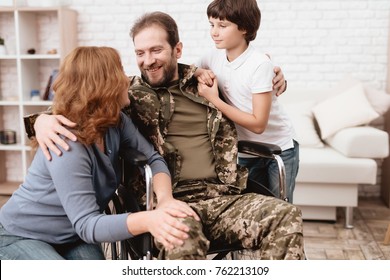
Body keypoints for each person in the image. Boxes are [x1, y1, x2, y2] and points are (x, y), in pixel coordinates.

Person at [25, 12, 305, 260]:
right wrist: (40, 121)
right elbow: (77, 103)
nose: (147, 61)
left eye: (156, 50)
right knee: (180, 236)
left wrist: (275, 75)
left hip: (222, 197)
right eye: (140, 53)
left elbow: (248, 71)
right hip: (162, 203)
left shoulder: (207, 82)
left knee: (285, 215)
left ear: (178, 49)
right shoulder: (125, 95)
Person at [0, 46, 198, 260]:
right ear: (103, 85)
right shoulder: (67, 144)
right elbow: (88, 224)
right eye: (119, 71)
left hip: (71, 236)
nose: (125, 79)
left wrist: (165, 199)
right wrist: (149, 219)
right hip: (20, 234)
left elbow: (153, 159)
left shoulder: (117, 122)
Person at [195, 0, 299, 202]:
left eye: (222, 26)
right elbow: (184, 72)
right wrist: (198, 72)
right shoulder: (211, 58)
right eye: (212, 24)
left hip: (279, 150)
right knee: (251, 213)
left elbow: (258, 124)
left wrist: (214, 100)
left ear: (244, 28)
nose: (214, 32)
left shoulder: (259, 64)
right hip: (246, 151)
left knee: (280, 213)